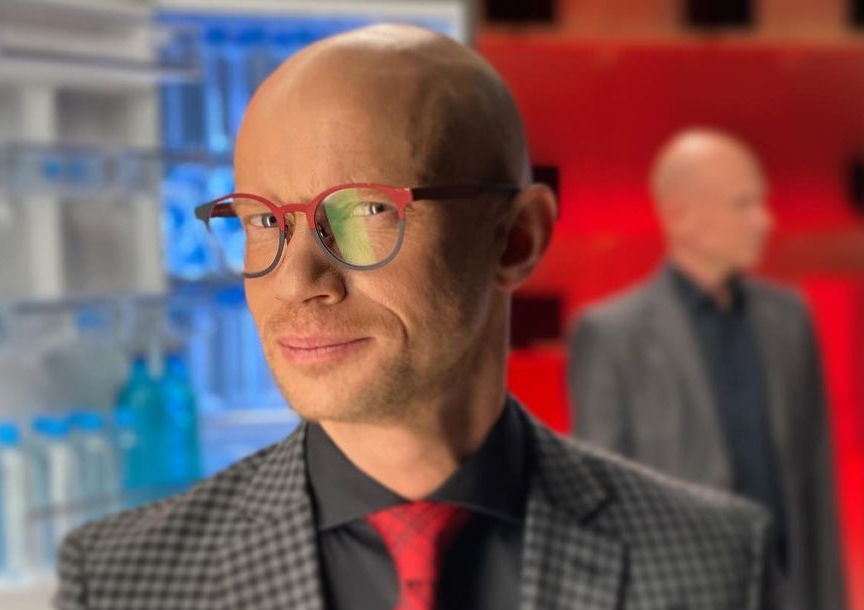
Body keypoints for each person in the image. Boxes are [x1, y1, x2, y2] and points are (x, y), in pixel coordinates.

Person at [56, 26, 779, 610]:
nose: (296, 281)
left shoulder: (712, 563)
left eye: (365, 211)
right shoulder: (120, 584)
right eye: (263, 220)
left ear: (517, 238)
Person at [568, 128, 846, 610]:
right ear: (680, 215)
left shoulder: (789, 320)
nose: (765, 220)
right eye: (743, 204)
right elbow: (601, 507)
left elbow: (815, 486)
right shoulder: (611, 336)